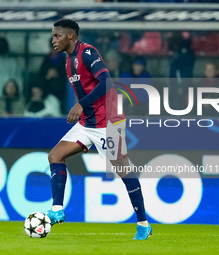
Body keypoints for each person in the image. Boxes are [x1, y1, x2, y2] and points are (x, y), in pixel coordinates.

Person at [48, 19, 152, 240]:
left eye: (57, 35)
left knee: (123, 170)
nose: (53, 40)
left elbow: (106, 83)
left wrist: (80, 105)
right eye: (53, 35)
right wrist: (83, 109)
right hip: (88, 122)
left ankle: (143, 223)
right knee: (55, 155)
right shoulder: (68, 62)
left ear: (70, 36)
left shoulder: (87, 52)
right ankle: (57, 208)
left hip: (109, 121)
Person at [38, 40, 67, 114]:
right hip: (47, 94)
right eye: (52, 47)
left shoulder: (65, 59)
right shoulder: (46, 60)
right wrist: (47, 76)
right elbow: (40, 77)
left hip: (62, 93)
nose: (54, 49)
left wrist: (58, 74)